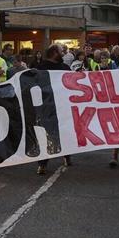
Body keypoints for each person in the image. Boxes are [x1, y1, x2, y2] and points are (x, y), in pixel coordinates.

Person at [36, 44, 72, 175]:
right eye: (61, 51)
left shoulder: (65, 68)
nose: (63, 53)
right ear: (54, 53)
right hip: (46, 106)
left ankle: (67, 155)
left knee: (64, 131)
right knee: (45, 134)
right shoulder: (40, 68)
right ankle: (42, 163)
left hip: (62, 105)